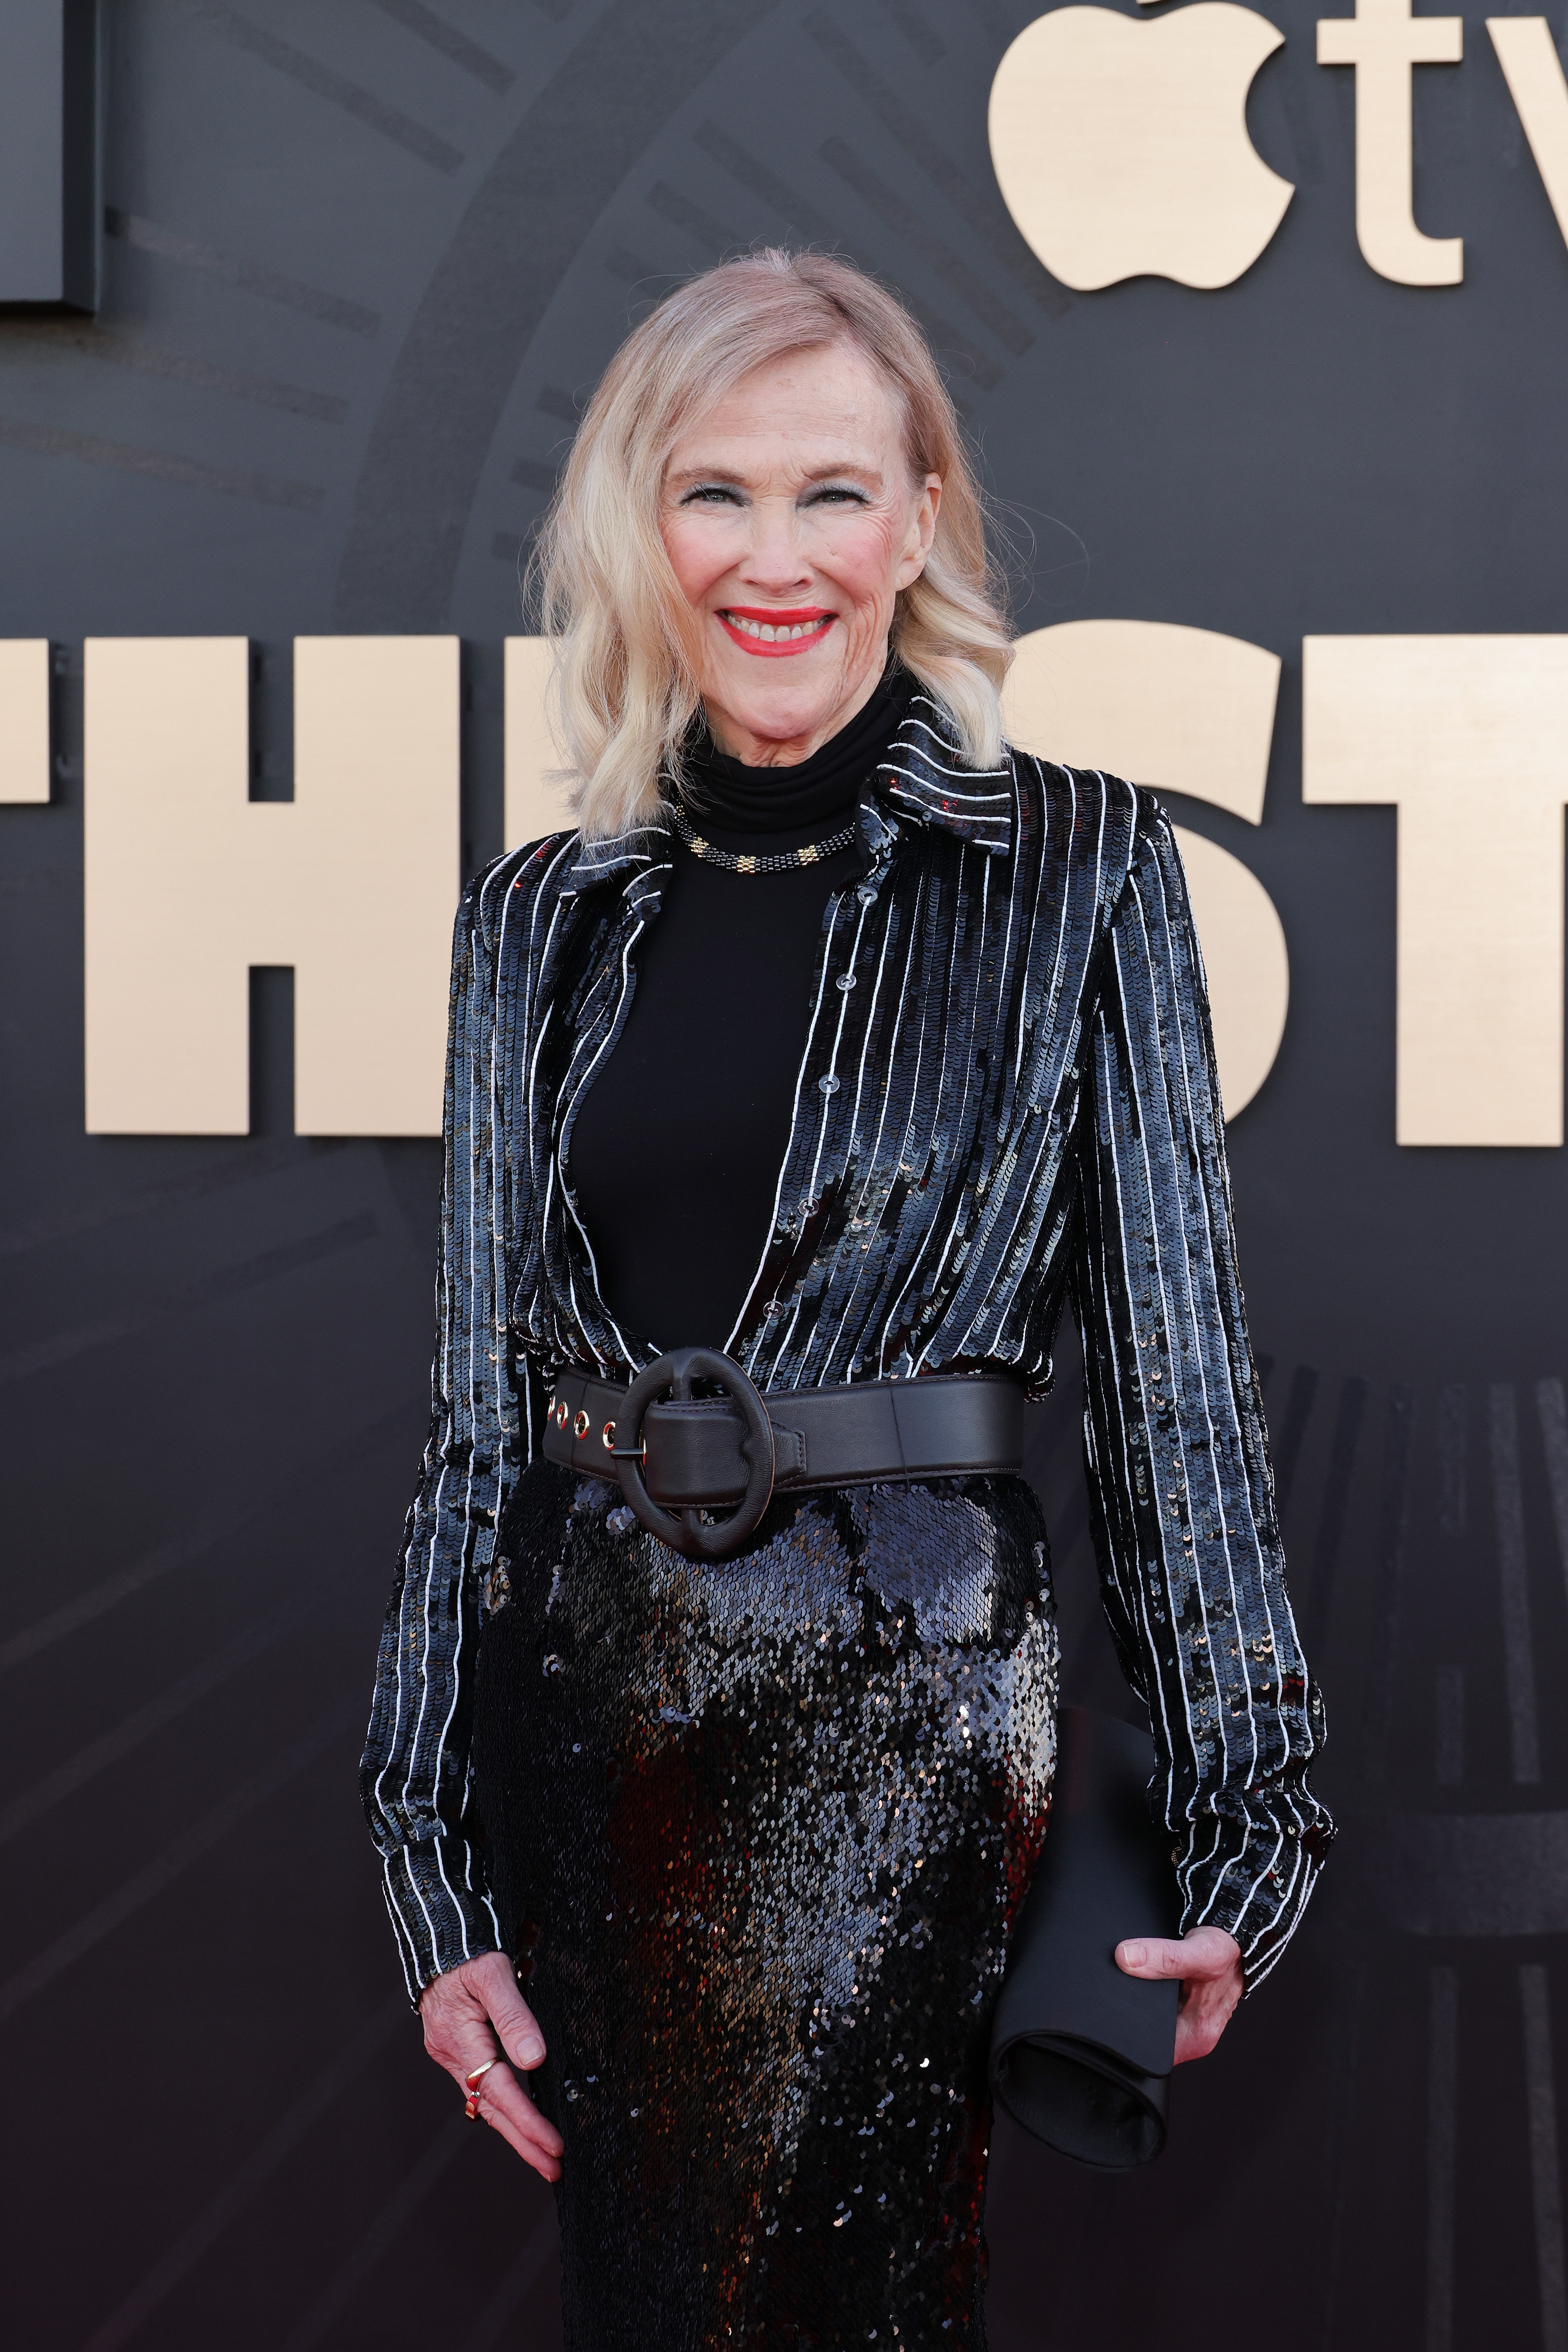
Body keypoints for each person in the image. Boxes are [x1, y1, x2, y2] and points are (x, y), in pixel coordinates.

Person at [361, 249, 1331, 2349]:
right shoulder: (538, 919)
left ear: (918, 523)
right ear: (645, 531)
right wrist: (432, 1879)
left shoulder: (1075, 865)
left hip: (908, 1711)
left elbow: (1174, 1380)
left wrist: (1247, 1821)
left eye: (831, 493)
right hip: (594, 1711)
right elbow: (474, 1426)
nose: (773, 556)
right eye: (716, 493)